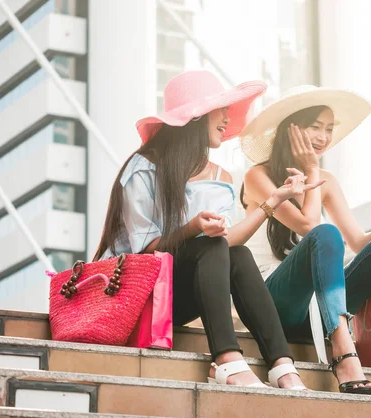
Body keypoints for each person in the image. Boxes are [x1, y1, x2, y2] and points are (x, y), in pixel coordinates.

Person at [93, 71, 322, 390]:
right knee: (214, 247)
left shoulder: (220, 177)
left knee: (235, 252)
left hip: (180, 294)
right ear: (196, 117)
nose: (228, 117)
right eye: (221, 109)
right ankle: (227, 360)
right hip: (138, 296)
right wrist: (192, 227)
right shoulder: (143, 168)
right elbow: (142, 251)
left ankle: (282, 365)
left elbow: (227, 242)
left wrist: (272, 201)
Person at [239, 85, 371, 400]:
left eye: (328, 129)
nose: (323, 137)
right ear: (290, 129)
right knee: (325, 234)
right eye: (315, 127)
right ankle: (343, 354)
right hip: (274, 302)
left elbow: (359, 242)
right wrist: (311, 172)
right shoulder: (257, 177)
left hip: (321, 307)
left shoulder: (327, 181)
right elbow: (310, 226)